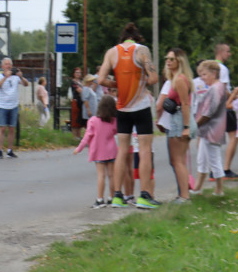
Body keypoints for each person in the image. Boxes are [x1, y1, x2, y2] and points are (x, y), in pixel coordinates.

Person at [95, 22, 159, 209]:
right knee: (145, 150)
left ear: (122, 39)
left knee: (122, 151)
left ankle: (117, 196)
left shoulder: (111, 52)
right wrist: (139, 82)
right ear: (137, 38)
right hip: (141, 106)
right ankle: (144, 196)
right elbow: (153, 78)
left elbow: (100, 79)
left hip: (121, 108)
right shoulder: (142, 51)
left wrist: (118, 85)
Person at [154, 47, 193, 203]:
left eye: (172, 59)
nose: (168, 62)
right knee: (177, 160)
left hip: (178, 121)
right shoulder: (176, 79)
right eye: (167, 59)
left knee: (177, 160)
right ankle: (182, 194)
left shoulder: (179, 80)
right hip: (176, 120)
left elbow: (185, 104)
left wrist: (186, 127)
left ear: (180, 62)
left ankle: (184, 195)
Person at [192, 60, 228, 196]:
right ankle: (198, 187)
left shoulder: (215, 89)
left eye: (204, 74)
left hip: (212, 130)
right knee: (202, 158)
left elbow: (208, 112)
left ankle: (219, 189)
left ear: (214, 73)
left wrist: (195, 125)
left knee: (214, 159)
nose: (202, 77)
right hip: (207, 130)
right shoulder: (216, 88)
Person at [74, 94, 118, 208]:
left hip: (99, 152)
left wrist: (79, 148)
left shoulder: (93, 121)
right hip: (112, 150)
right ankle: (112, 197)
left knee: (101, 176)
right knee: (112, 175)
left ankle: (100, 199)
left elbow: (87, 137)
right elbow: (115, 132)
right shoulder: (114, 121)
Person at [213, 43, 238, 179]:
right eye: (228, 52)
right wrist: (235, 97)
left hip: (215, 107)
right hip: (225, 107)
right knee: (234, 136)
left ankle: (214, 169)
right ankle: (226, 168)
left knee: (215, 139)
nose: (229, 54)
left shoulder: (211, 66)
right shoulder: (222, 68)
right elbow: (223, 88)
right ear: (221, 52)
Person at [0, 57, 27, 158]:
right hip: (2, 105)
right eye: (6, 64)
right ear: (2, 66)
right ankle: (0, 150)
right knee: (2, 128)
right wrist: (5, 77)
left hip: (13, 105)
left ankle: (10, 150)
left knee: (12, 128)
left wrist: (21, 77)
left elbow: (26, 84)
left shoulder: (16, 77)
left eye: (10, 64)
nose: (8, 66)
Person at [69, 67, 86, 138]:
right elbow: (80, 90)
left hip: (81, 102)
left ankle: (79, 136)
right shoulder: (73, 82)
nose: (78, 74)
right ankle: (74, 136)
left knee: (80, 119)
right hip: (76, 102)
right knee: (75, 119)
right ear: (74, 74)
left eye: (79, 73)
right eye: (76, 73)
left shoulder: (81, 82)